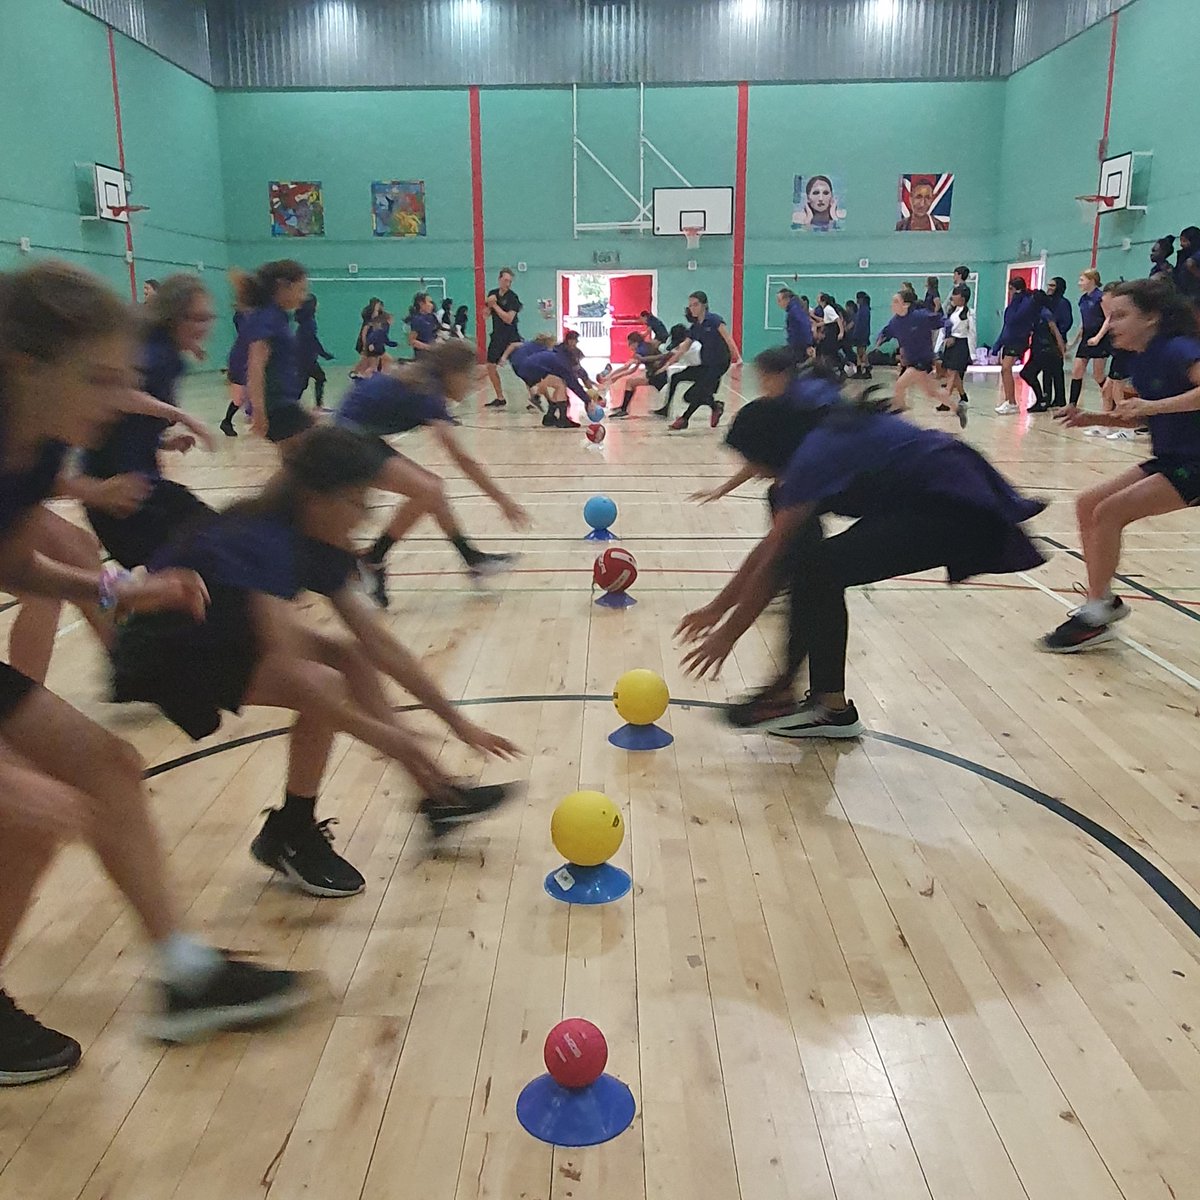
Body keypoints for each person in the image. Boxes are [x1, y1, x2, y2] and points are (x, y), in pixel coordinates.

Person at [0, 262, 309, 1080]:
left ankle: (184, 974)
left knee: (106, 767)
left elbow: (14, 562)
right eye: (100, 380)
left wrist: (118, 587)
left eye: (125, 378)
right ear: (28, 368)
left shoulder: (33, 449)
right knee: (31, 811)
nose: (117, 400)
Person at [113, 426, 522, 870]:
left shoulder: (319, 540)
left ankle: (438, 798)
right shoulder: (261, 540)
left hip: (221, 629)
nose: (364, 515)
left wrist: (458, 723)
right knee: (323, 681)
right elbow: (298, 675)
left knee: (349, 658)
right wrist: (392, 740)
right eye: (355, 501)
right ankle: (293, 833)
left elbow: (379, 644)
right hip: (166, 651)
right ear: (316, 498)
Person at [676, 395, 1044, 737]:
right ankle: (793, 693)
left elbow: (773, 557)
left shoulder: (814, 458)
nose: (751, 470)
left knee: (818, 567)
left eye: (752, 459)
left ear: (771, 447)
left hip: (951, 504)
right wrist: (717, 608)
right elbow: (774, 548)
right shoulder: (814, 439)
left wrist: (727, 633)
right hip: (927, 491)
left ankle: (825, 706)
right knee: (804, 550)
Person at [1045, 279, 1200, 651]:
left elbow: (1159, 406)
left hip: (1196, 462)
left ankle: (1096, 614)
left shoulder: (1179, 349)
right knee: (1087, 504)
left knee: (1111, 512)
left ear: (1152, 318)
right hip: (1175, 457)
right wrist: (1093, 418)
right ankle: (1102, 604)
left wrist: (1152, 407)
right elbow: (1141, 416)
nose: (1110, 324)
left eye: (1120, 315)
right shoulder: (1144, 359)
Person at [342, 341, 528, 607]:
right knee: (429, 489)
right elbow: (461, 458)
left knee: (431, 490)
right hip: (344, 443)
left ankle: (471, 558)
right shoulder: (427, 391)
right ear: (452, 373)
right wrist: (502, 500)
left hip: (360, 437)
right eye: (469, 376)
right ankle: (372, 559)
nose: (473, 384)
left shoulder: (426, 382)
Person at [75, 274, 218, 573]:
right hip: (118, 491)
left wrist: (164, 441)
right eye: (197, 318)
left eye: (209, 318)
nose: (205, 326)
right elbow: (118, 395)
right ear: (174, 316)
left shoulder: (167, 355)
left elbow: (126, 424)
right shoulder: (155, 353)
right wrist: (184, 417)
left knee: (207, 550)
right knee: (208, 551)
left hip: (141, 485)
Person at [235, 259, 313, 446]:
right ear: (282, 286)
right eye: (300, 289)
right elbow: (255, 366)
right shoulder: (266, 318)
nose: (303, 297)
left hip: (284, 402)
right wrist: (259, 411)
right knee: (310, 457)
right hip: (275, 406)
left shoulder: (278, 316)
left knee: (303, 462)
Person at [872, 289, 964, 426]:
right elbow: (887, 331)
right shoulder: (895, 322)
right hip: (912, 361)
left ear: (906, 304)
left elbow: (945, 322)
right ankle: (958, 409)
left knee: (899, 385)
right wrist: (880, 339)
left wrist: (949, 335)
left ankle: (899, 417)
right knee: (931, 392)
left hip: (922, 361)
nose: (893, 304)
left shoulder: (920, 317)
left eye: (896, 301)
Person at [660, 291, 741, 431]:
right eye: (690, 305)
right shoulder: (695, 327)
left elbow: (728, 338)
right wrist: (667, 364)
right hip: (706, 363)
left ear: (704, 305)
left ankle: (684, 419)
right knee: (688, 393)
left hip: (720, 363)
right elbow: (683, 349)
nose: (692, 308)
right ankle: (716, 406)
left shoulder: (714, 320)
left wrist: (737, 358)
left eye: (695, 304)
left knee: (699, 391)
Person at [511, 331, 594, 428]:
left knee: (557, 384)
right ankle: (563, 420)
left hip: (528, 367)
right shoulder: (564, 363)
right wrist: (587, 400)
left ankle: (549, 417)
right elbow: (573, 383)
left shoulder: (559, 353)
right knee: (560, 386)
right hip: (532, 369)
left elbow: (579, 374)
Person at [993, 278, 1040, 415]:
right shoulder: (1012, 305)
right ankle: (1009, 400)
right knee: (1004, 370)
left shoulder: (1025, 302)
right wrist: (997, 344)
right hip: (1009, 339)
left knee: (1006, 367)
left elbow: (1016, 318)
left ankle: (1012, 402)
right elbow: (1007, 325)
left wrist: (1019, 298)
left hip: (1018, 340)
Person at [1020, 290, 1068, 413]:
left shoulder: (1045, 313)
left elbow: (1055, 331)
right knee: (1029, 373)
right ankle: (1042, 399)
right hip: (1038, 349)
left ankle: (1042, 400)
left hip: (1046, 350)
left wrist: (1062, 350)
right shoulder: (1035, 314)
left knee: (1028, 373)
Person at [1069, 269, 1110, 407]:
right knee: (1076, 371)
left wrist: (1098, 337)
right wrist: (1073, 343)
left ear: (1091, 280)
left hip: (1100, 339)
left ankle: (1112, 401)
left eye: (1082, 280)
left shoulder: (1101, 297)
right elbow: (1083, 323)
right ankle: (1072, 405)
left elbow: (1109, 318)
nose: (1079, 283)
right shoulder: (1083, 299)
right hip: (1086, 338)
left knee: (1098, 376)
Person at [483, 268, 522, 408]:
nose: (507, 284)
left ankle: (533, 395)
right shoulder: (492, 294)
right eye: (505, 280)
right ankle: (500, 397)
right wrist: (488, 305)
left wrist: (495, 305)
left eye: (510, 281)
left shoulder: (513, 298)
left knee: (520, 367)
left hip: (511, 336)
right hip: (497, 336)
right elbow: (485, 315)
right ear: (499, 279)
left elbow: (508, 319)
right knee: (490, 366)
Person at [604, 331, 666, 417]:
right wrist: (614, 376)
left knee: (630, 383)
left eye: (630, 343)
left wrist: (612, 377)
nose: (629, 346)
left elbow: (628, 368)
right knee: (631, 383)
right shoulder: (647, 346)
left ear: (635, 343)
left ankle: (623, 409)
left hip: (657, 376)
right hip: (659, 374)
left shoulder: (640, 351)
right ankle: (623, 407)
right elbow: (631, 368)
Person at [1038, 277, 1074, 409]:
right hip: (1044, 339)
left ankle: (1060, 399)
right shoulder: (1047, 302)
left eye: (1053, 285)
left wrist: (1058, 333)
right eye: (1049, 285)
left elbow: (1067, 321)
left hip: (1057, 340)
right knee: (1046, 371)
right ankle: (1046, 396)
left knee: (1057, 371)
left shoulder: (1064, 303)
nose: (1050, 288)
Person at [940, 285, 977, 413]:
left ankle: (945, 400)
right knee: (951, 373)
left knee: (953, 372)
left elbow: (972, 333)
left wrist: (973, 354)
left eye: (956, 294)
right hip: (951, 344)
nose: (953, 297)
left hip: (961, 345)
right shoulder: (952, 311)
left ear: (962, 298)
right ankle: (963, 395)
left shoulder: (969, 313)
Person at [295, 294, 334, 410]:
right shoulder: (309, 322)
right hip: (306, 358)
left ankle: (296, 404)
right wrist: (324, 354)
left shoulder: (305, 321)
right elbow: (312, 340)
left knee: (305, 382)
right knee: (309, 381)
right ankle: (315, 406)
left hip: (303, 357)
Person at [350, 297, 385, 380]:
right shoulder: (369, 323)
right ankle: (361, 375)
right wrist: (365, 345)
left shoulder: (375, 322)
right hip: (368, 344)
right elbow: (364, 334)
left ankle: (356, 373)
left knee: (366, 361)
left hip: (371, 345)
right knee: (370, 362)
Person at [777, 287, 813, 365]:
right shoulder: (794, 309)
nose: (778, 303)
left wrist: (808, 344)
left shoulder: (795, 310)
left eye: (779, 300)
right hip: (796, 345)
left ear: (786, 299)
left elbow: (805, 324)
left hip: (799, 347)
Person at [1174, 227, 1200, 302]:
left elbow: (1190, 264)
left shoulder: (1196, 253)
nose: (1181, 244)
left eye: (1184, 241)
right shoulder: (1183, 255)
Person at [850, 291, 872, 378]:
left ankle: (866, 368)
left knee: (861, 352)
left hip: (861, 334)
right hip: (862, 334)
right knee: (860, 352)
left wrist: (856, 334)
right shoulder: (864, 309)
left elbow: (861, 324)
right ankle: (860, 370)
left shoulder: (863, 310)